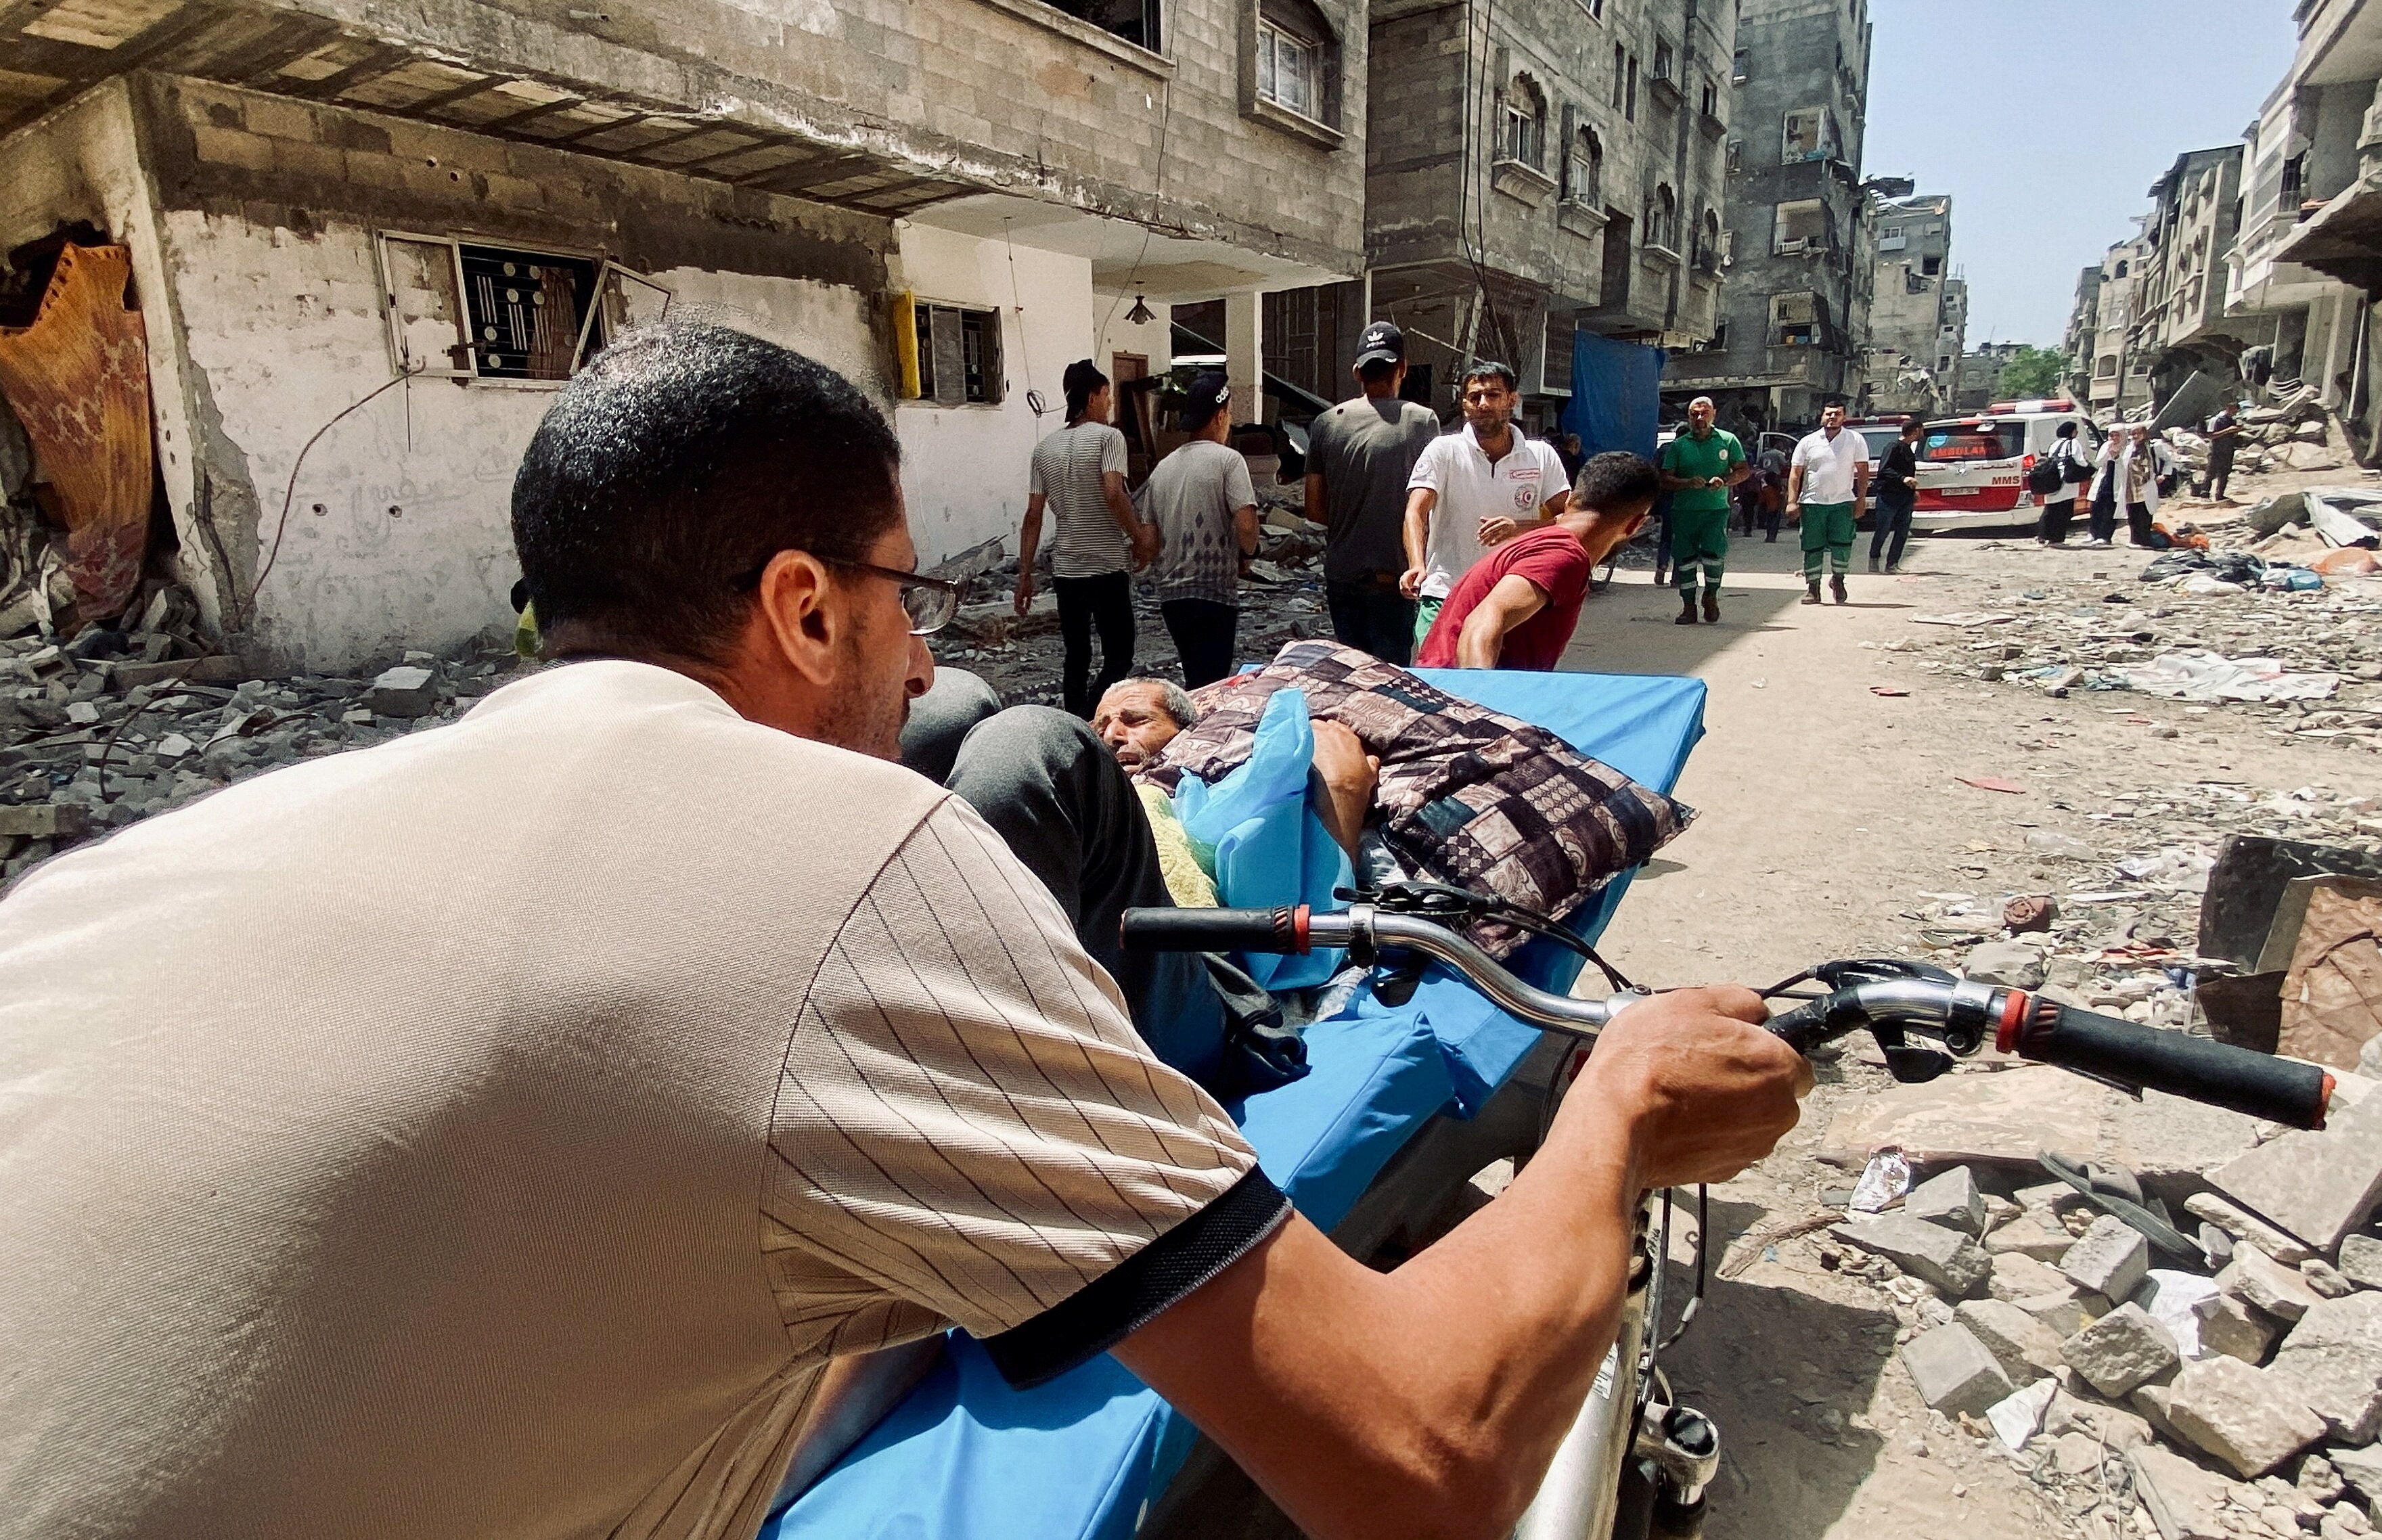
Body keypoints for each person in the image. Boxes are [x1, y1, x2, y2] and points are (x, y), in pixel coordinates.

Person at [0, 323, 1808, 1540]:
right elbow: (1424, 1461)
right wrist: (1619, 1115)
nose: (919, 649)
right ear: (800, 605)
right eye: (897, 597)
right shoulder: (842, 860)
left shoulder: (123, 881)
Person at [1414, 452, 1659, 669]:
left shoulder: (1545, 542)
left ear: (1570, 499)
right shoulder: (1563, 555)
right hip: (1455, 705)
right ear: (1635, 525)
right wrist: (1479, 706)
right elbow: (1485, 619)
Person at [1017, 359, 1153, 718]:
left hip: (1067, 571)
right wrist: (1138, 535)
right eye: (1106, 395)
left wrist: (1025, 574)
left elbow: (1033, 516)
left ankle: (1075, 718)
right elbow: (1114, 492)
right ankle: (1094, 711)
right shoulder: (1110, 438)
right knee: (1119, 654)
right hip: (1107, 565)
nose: (1109, 403)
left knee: (1076, 653)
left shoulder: (1044, 449)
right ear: (1092, 397)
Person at [1401, 361, 1570, 647]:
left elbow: (1571, 518)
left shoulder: (1541, 456)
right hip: (1445, 593)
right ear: (1464, 403)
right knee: (1440, 681)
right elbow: (1416, 511)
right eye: (1474, 396)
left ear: (1511, 400)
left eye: (1493, 395)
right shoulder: (1444, 451)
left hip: (1515, 596)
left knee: (1508, 685)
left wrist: (1522, 528)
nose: (1483, 404)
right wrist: (1416, 564)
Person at [1304, 321, 1440, 664]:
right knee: (1393, 681)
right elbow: (1431, 503)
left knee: (1352, 677)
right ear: (1403, 369)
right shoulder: (1422, 421)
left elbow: (1314, 509)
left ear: (1356, 372)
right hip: (1395, 578)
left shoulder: (1326, 423)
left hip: (1342, 577)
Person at [1145, 371, 1260, 687]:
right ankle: (1199, 734)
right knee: (1213, 683)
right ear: (1220, 415)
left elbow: (1149, 542)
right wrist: (1249, 551)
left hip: (1173, 597)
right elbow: (1247, 525)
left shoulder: (1162, 469)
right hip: (1214, 594)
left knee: (1195, 676)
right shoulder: (1229, 461)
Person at [1655, 397, 1748, 625]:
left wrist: (1724, 481)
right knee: (1685, 561)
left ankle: (1711, 595)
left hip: (1715, 511)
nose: (1699, 418)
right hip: (1684, 513)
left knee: (1714, 557)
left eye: (1704, 413)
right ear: (1688, 416)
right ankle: (1688, 607)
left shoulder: (1728, 440)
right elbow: (1664, 479)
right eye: (1694, 414)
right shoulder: (1679, 445)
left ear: (1714, 414)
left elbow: (1744, 471)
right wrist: (1686, 483)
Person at [1786, 400, 1870, 606]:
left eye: (1837, 414)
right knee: (1812, 546)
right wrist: (1791, 501)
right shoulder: (1808, 442)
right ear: (1821, 416)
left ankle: (1839, 581)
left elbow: (1863, 471)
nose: (1833, 417)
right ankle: (1813, 588)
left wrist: (1861, 500)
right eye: (1829, 414)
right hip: (1813, 502)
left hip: (1843, 503)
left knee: (1842, 545)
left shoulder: (1855, 440)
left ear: (1844, 417)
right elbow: (1796, 473)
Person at [1867, 418, 1921, 574]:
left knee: (1903, 531)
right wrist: (1902, 479)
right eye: (1921, 430)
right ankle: (1874, 559)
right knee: (1883, 530)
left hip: (1905, 497)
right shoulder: (1893, 447)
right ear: (1916, 431)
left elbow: (1909, 473)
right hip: (1888, 497)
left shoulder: (1909, 450)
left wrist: (1913, 490)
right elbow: (1884, 470)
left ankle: (1892, 564)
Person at [2036, 421, 2089, 547]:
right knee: (2064, 510)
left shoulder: (2054, 444)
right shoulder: (2073, 443)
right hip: (2066, 482)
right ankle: (2057, 539)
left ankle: (2042, 536)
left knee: (2050, 509)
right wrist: (2088, 468)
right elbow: (2080, 461)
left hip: (2052, 480)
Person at [2203, 403, 2243, 503]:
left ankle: (2220, 495)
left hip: (2228, 450)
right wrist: (2228, 430)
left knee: (2225, 473)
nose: (2235, 413)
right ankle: (2205, 494)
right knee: (2211, 473)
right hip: (2216, 450)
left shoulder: (2232, 421)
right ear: (2228, 408)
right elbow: (2211, 436)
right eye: (2234, 410)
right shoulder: (2216, 420)